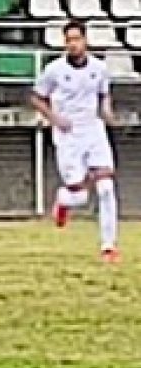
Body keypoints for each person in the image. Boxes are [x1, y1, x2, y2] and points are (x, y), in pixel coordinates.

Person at [33, 19, 120, 263]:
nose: (73, 44)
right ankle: (63, 201)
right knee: (78, 195)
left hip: (93, 131)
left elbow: (103, 94)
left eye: (77, 39)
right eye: (68, 40)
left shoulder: (99, 68)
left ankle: (109, 247)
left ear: (85, 40)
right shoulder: (54, 70)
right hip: (68, 135)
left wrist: (107, 112)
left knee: (106, 187)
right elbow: (37, 97)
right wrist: (54, 118)